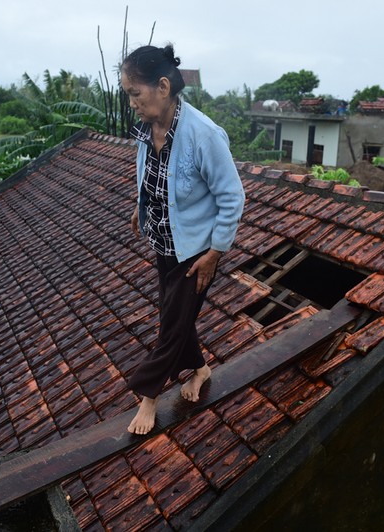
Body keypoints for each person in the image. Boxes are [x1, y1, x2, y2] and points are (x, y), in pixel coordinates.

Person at [122, 44, 245, 435]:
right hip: (163, 242)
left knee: (171, 326)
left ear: (162, 86)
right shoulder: (147, 128)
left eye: (134, 93)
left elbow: (232, 196)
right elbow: (151, 173)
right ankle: (201, 368)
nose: (132, 103)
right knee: (177, 315)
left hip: (195, 252)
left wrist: (215, 253)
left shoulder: (203, 135)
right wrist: (141, 206)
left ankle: (148, 397)